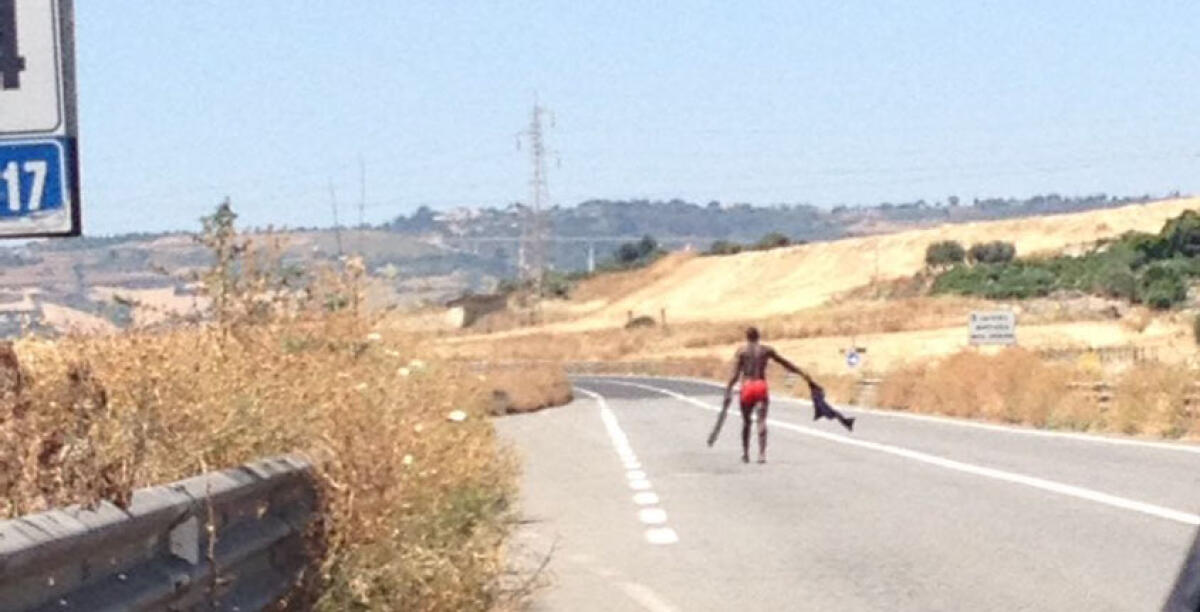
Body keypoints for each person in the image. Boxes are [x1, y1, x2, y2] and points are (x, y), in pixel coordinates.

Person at [718, 326, 818, 464]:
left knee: (746, 422)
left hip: (747, 386)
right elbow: (784, 363)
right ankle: (761, 454)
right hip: (760, 386)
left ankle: (745, 453)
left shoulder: (741, 351)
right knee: (761, 421)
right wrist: (801, 373)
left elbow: (734, 375)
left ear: (746, 337)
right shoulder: (765, 350)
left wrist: (728, 390)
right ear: (758, 336)